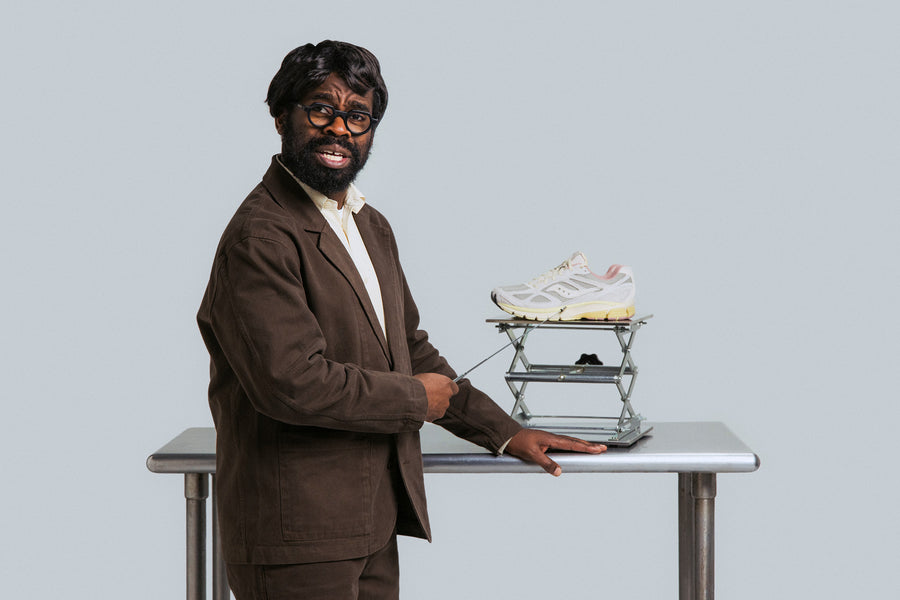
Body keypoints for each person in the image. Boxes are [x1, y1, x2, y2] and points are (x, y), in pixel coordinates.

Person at [196, 40, 607, 600]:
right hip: (295, 537)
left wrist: (504, 432)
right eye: (321, 108)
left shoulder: (369, 225)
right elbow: (290, 383)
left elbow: (408, 349)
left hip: (371, 523)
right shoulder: (261, 236)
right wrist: (417, 400)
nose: (340, 129)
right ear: (280, 118)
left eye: (358, 116)